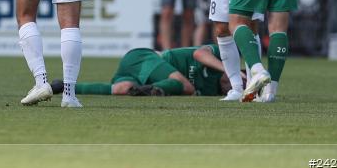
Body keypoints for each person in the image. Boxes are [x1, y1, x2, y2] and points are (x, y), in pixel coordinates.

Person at [53, 45, 234, 98]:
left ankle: (65, 87)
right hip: (143, 59)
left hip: (135, 76)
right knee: (186, 86)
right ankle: (151, 89)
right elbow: (199, 53)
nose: (230, 86)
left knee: (121, 89)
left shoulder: (215, 92)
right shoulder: (221, 57)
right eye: (234, 80)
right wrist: (227, 69)